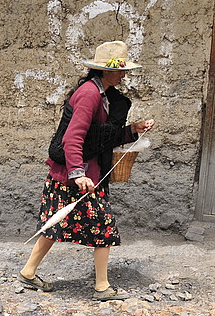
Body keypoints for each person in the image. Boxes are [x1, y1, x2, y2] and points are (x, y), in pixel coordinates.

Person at [17, 41, 154, 300]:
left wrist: (133, 130)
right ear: (104, 71)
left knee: (53, 225)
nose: (124, 75)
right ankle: (102, 287)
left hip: (71, 174)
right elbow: (73, 138)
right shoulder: (90, 94)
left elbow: (98, 137)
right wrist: (78, 174)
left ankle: (28, 272)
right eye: (119, 70)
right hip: (77, 177)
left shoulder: (101, 94)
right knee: (103, 226)